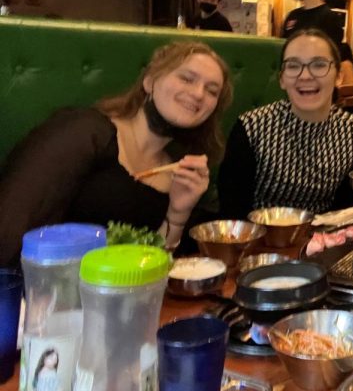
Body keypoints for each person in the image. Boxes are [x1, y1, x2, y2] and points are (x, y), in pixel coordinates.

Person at [0, 42, 233, 265]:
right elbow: (9, 227)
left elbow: (152, 265)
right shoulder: (85, 132)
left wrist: (178, 213)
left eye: (212, 91)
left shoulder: (178, 171)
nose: (199, 93)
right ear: (150, 81)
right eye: (186, 78)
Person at [218, 28, 353, 219]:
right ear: (282, 79)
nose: (305, 75)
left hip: (322, 238)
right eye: (293, 66)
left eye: (319, 65)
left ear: (339, 76)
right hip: (257, 238)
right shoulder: (251, 127)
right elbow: (233, 209)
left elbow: (345, 210)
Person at [282, 0, 353, 86]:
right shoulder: (292, 16)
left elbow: (332, 54)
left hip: (317, 79)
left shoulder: (329, 18)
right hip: (293, 77)